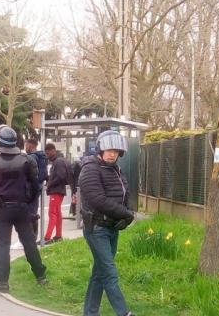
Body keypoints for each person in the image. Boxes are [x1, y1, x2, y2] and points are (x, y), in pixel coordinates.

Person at [0, 125, 47, 293]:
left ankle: (2, 281)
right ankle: (40, 276)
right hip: (22, 207)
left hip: (2, 208)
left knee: (3, 245)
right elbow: (35, 184)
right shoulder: (27, 160)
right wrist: (27, 201)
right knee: (29, 243)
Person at [80, 131, 136, 316]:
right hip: (96, 228)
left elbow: (124, 195)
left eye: (116, 151)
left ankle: (90, 313)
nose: (112, 154)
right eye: (109, 149)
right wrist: (126, 214)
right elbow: (98, 200)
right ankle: (124, 313)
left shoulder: (116, 170)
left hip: (112, 228)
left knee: (99, 273)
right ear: (100, 148)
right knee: (109, 273)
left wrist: (126, 214)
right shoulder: (90, 169)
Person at [41, 143, 70, 244]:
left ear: (53, 150)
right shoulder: (59, 161)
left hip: (56, 190)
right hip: (58, 190)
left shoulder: (58, 162)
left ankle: (47, 237)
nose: (47, 156)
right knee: (57, 214)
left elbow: (61, 176)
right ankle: (58, 236)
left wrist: (50, 184)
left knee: (52, 213)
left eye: (48, 153)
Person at [25, 138, 47, 238]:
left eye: (26, 146)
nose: (25, 148)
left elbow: (28, 174)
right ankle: (34, 236)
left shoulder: (32, 157)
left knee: (29, 213)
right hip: (36, 187)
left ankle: (31, 237)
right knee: (33, 212)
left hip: (30, 188)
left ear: (30, 146)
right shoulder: (41, 156)